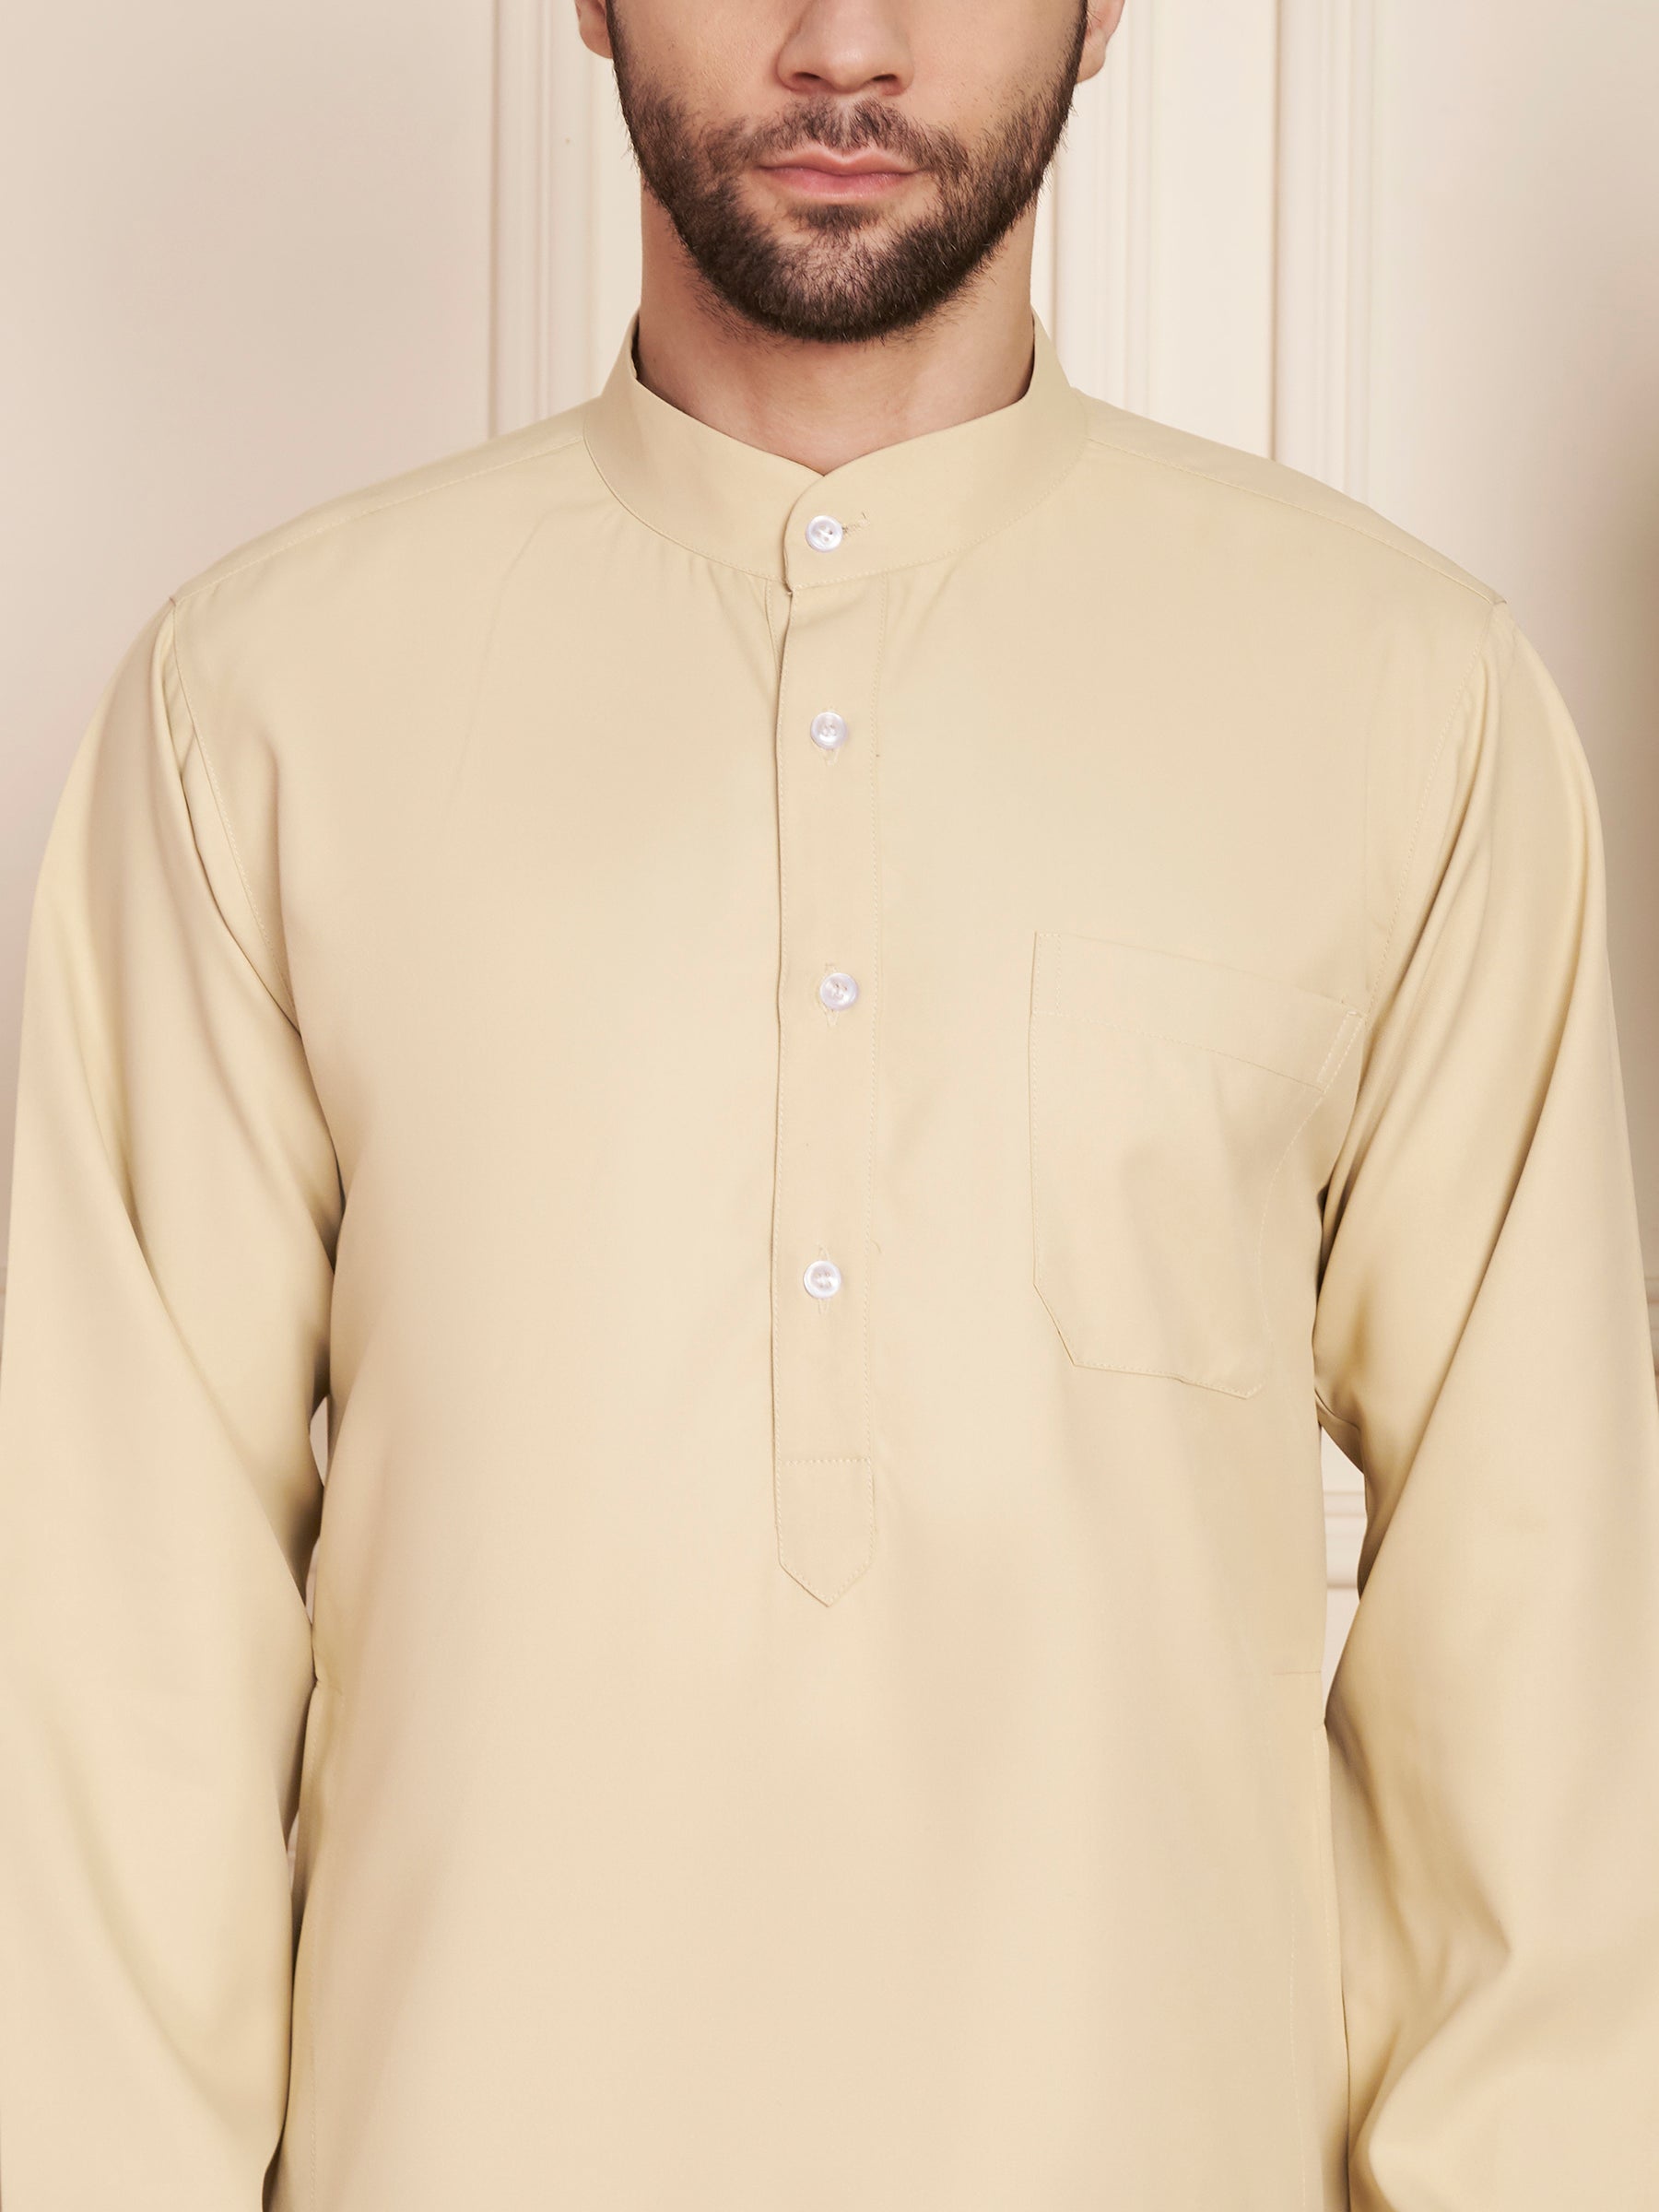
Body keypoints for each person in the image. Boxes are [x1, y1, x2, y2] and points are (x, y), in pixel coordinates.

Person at [1, 1, 1655, 2205]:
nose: (845, 41)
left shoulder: (1409, 711)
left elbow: (1539, 1721)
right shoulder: (255, 719)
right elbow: (111, 1712)